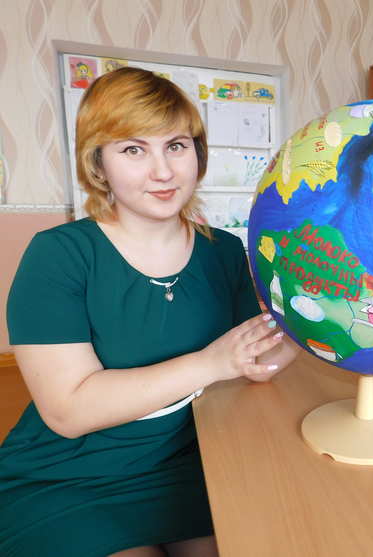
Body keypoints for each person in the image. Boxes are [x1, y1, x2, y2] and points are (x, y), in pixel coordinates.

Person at [0, 67, 298, 557]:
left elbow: (256, 360)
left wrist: (315, 316)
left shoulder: (224, 250)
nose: (163, 172)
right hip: (72, 475)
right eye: (133, 150)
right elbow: (68, 411)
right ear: (99, 164)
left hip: (188, 460)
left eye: (175, 146)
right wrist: (210, 363)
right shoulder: (59, 254)